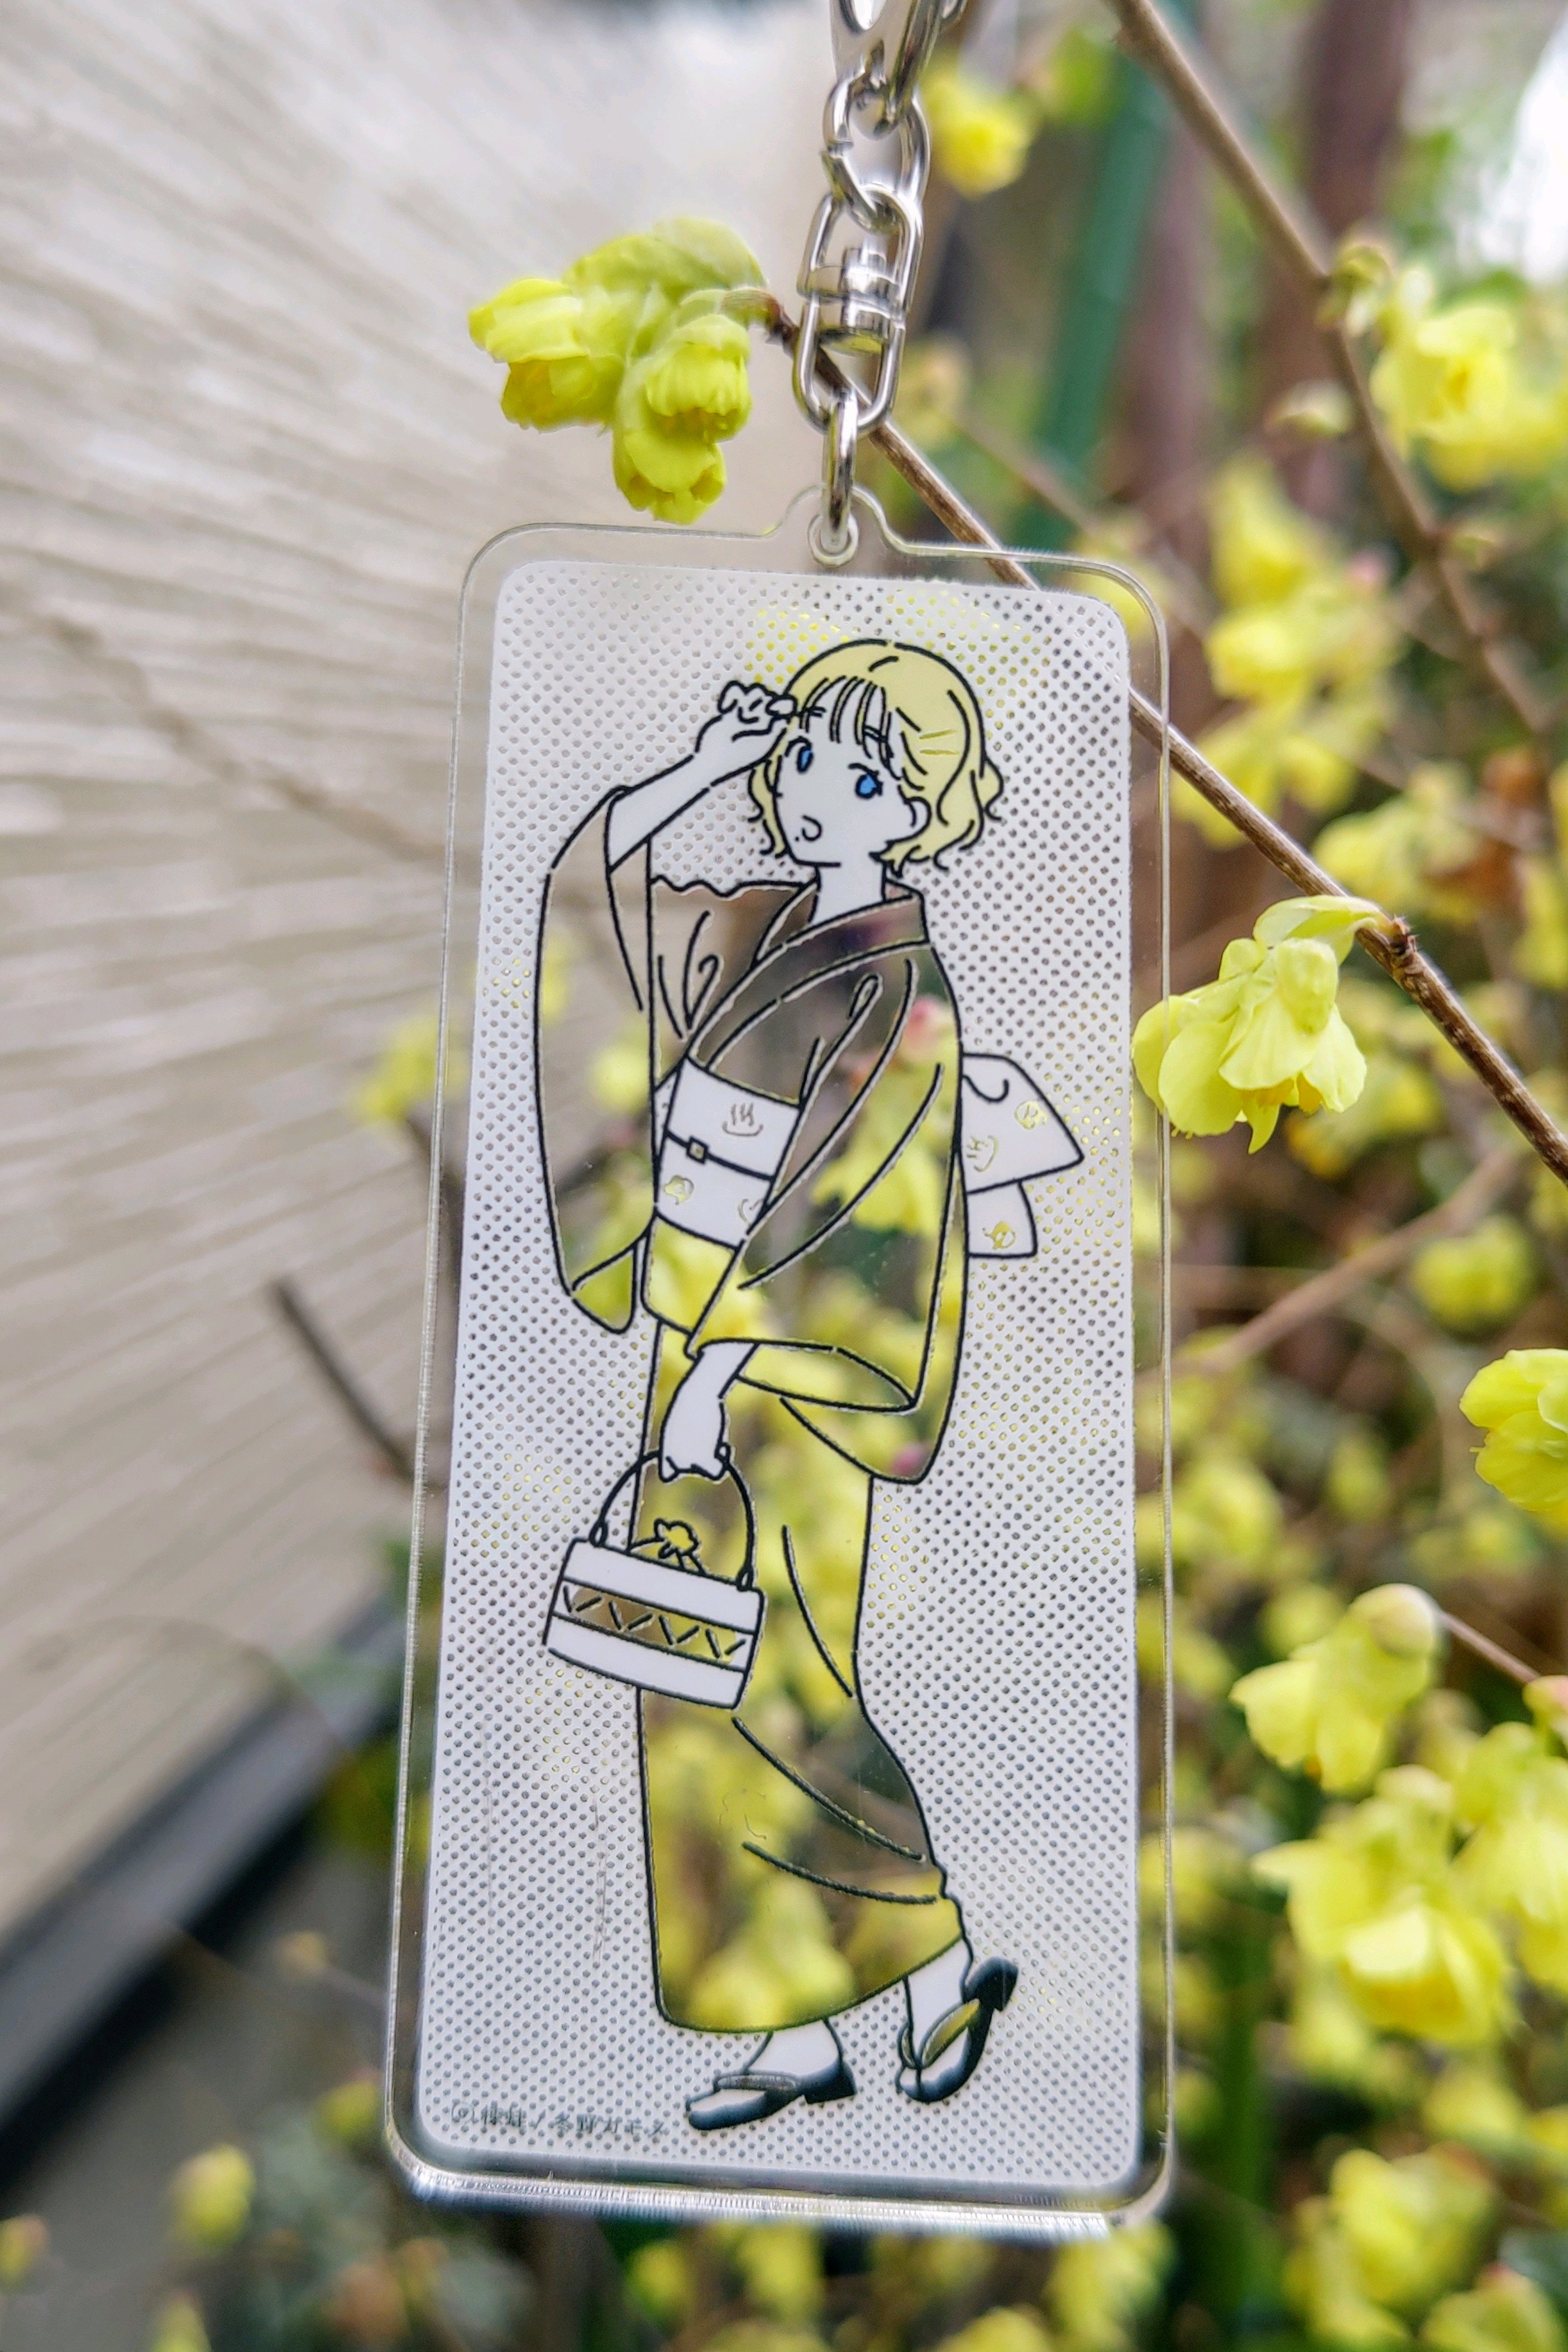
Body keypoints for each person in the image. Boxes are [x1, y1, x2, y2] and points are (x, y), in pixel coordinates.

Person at [537, 638, 1020, 2130]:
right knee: (700, 1687)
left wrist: (737, 1365)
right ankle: (807, 2028)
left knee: (789, 1684)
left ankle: (932, 1963)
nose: (813, 789)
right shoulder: (771, 930)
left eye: (861, 775)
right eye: (804, 754)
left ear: (920, 812)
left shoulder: (901, 985)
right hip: (697, 1319)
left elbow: (885, 1239)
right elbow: (604, 876)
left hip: (778, 1380)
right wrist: (697, 768)